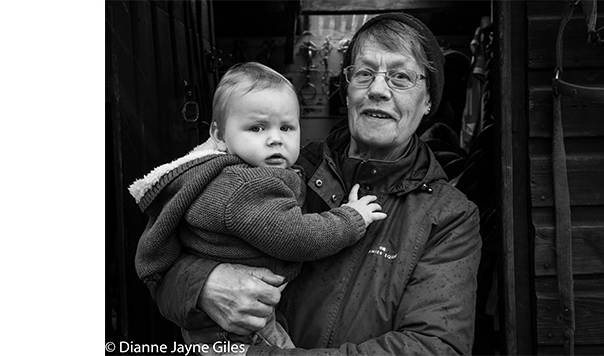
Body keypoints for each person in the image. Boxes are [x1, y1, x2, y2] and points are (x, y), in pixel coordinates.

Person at [149, 13, 482, 355]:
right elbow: (160, 268)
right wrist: (203, 285)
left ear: (428, 100)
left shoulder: (448, 217)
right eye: (365, 73)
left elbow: (433, 347)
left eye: (400, 77)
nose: (378, 90)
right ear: (348, 89)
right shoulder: (281, 171)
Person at [128, 62, 387, 349]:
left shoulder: (230, 174)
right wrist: (351, 219)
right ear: (219, 135)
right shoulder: (244, 185)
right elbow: (297, 236)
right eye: (256, 127)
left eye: (287, 127)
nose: (275, 138)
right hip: (236, 327)